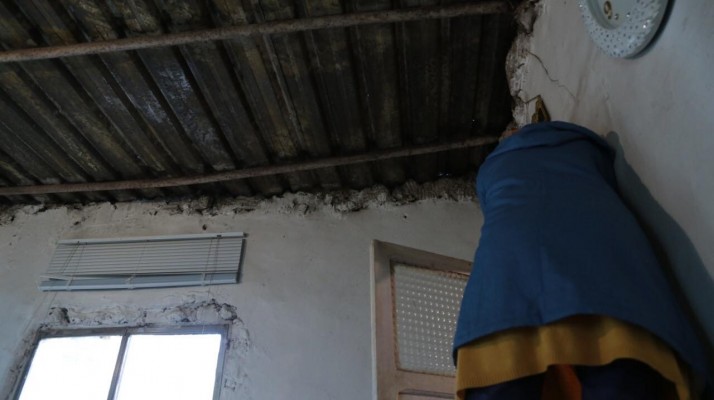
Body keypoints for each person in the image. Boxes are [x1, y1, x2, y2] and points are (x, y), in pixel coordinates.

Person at [452, 121, 711, 399]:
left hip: (506, 280)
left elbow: (492, 206)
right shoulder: (584, 149)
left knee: (501, 376)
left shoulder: (492, 169)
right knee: (623, 373)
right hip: (604, 267)